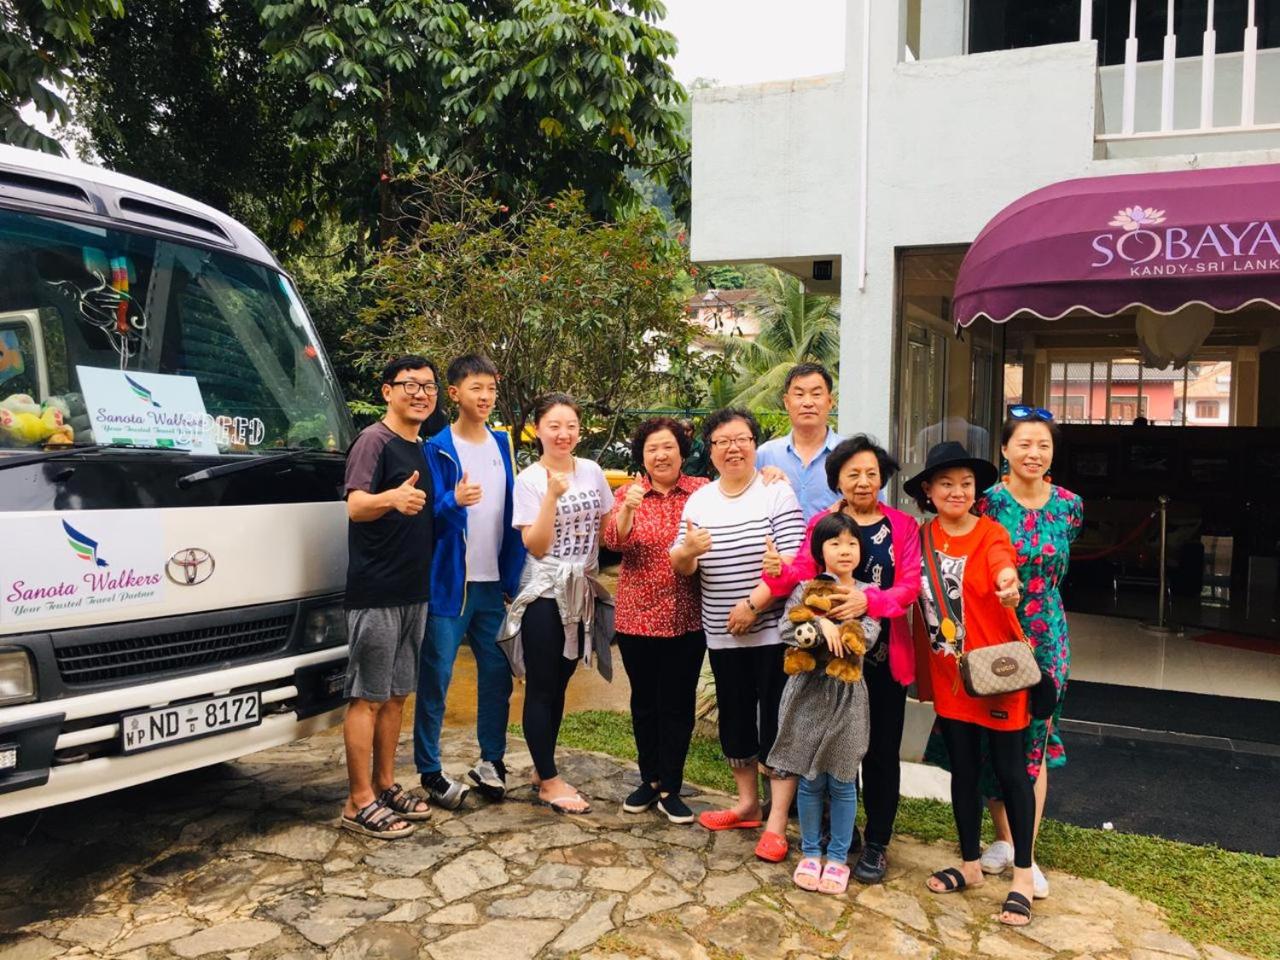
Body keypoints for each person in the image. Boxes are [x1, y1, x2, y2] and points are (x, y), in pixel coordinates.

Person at [762, 435, 922, 883]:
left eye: (871, 473)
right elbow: (803, 571)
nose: (863, 481)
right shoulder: (824, 523)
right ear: (837, 480)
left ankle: (877, 843)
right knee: (832, 746)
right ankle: (841, 834)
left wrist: (869, 601)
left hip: (881, 658)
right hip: (824, 661)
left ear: (883, 478)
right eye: (853, 474)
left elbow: (909, 586)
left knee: (881, 753)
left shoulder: (902, 526)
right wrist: (776, 572)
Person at [905, 441, 1036, 927]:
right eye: (946, 484)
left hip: (998, 672)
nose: (957, 491)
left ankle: (1023, 875)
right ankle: (969, 864)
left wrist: (1008, 584)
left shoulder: (990, 533)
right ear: (928, 490)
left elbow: (1004, 564)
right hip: (952, 676)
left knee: (1010, 772)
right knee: (962, 771)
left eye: (965, 484)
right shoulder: (919, 537)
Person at [670, 408, 806, 862]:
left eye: (742, 439)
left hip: (772, 633)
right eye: (722, 441)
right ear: (710, 451)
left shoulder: (775, 492)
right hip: (722, 635)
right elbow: (683, 565)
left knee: (778, 724)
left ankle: (776, 822)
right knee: (736, 720)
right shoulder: (699, 501)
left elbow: (792, 561)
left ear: (754, 445)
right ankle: (747, 804)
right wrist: (687, 552)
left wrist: (753, 606)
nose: (733, 448)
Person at [975, 409, 1083, 899]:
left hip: (1047, 634)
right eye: (1024, 444)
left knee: (1035, 738)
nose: (1033, 454)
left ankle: (1027, 852)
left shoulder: (1069, 505)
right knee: (996, 736)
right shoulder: (987, 503)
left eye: (1043, 445)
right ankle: (1002, 836)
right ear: (1005, 450)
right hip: (997, 630)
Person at [415, 354, 526, 809]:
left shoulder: (503, 444)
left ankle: (491, 762)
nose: (485, 397)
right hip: (450, 586)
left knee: (497, 677)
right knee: (437, 677)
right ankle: (430, 770)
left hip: (494, 586)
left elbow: (514, 512)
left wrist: (514, 577)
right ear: (455, 392)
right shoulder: (436, 448)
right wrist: (453, 501)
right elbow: (425, 517)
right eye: (476, 388)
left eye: (491, 389)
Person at [338, 355, 438, 839]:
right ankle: (357, 801)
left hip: (413, 590)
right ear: (387, 392)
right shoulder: (373, 441)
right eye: (410, 385)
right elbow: (356, 505)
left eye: (429, 386)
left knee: (396, 695)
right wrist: (391, 499)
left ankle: (384, 784)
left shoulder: (419, 447)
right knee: (368, 697)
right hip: (376, 591)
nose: (420, 394)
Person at [507, 393, 614, 814]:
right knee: (541, 685)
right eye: (554, 426)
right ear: (538, 430)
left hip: (580, 589)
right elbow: (535, 545)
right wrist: (552, 496)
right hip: (544, 592)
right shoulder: (530, 480)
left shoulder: (591, 471)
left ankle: (542, 767)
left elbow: (605, 527)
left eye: (571, 425)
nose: (563, 433)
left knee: (562, 680)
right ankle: (549, 782)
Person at [602, 418, 709, 824]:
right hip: (637, 618)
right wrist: (629, 509)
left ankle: (671, 787)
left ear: (682, 452)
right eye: (652, 449)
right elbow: (614, 542)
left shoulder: (701, 491)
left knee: (678, 703)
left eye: (668, 447)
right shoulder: (628, 493)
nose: (661, 455)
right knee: (645, 702)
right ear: (642, 456)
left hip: (687, 617)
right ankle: (649, 779)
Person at [769, 513, 882, 896]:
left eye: (851, 543)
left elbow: (868, 635)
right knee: (810, 778)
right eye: (835, 543)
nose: (844, 550)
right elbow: (787, 628)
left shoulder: (865, 593)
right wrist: (822, 626)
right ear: (820, 550)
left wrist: (845, 628)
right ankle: (811, 851)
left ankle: (837, 857)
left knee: (843, 780)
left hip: (847, 696)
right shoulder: (804, 588)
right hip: (806, 694)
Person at [755, 363, 844, 521]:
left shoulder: (851, 454)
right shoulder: (765, 454)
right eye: (799, 394)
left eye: (816, 394)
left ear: (830, 401)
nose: (808, 402)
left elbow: (874, 512)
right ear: (786, 402)